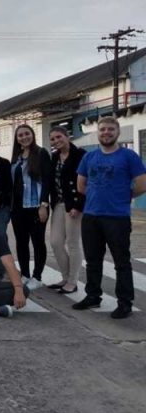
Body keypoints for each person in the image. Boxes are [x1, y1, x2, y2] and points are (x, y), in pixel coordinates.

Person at [73, 117, 146, 319]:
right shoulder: (89, 157)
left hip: (117, 217)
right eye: (102, 129)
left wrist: (125, 196)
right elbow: (81, 185)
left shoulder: (128, 156)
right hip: (92, 216)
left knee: (121, 261)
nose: (106, 132)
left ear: (117, 132)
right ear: (98, 132)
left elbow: (141, 184)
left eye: (110, 129)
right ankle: (93, 296)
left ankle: (125, 302)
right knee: (93, 260)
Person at [10, 124, 52, 289]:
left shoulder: (41, 154)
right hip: (18, 207)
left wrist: (44, 205)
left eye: (27, 134)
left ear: (32, 135)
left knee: (38, 242)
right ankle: (25, 274)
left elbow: (47, 180)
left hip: (36, 205)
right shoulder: (16, 157)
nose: (24, 137)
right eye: (20, 135)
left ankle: (37, 276)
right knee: (21, 242)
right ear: (17, 139)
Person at [48, 126, 86, 294]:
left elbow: (85, 182)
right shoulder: (54, 157)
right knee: (56, 242)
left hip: (74, 205)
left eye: (59, 137)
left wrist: (78, 205)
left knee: (73, 243)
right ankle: (65, 276)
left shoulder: (80, 155)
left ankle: (72, 281)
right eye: (53, 139)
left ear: (67, 136)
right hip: (58, 203)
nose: (56, 141)